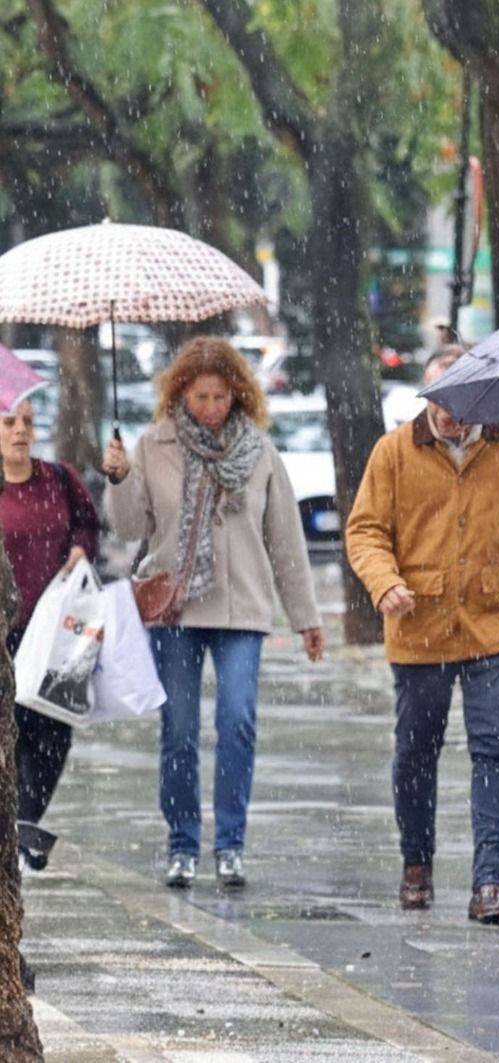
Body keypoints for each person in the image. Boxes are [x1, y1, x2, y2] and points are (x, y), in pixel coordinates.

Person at [344, 344, 499, 925]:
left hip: (496, 625)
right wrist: (384, 582)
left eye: (465, 399)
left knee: (495, 748)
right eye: (443, 400)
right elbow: (364, 531)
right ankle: (416, 862)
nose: (453, 413)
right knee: (416, 752)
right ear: (427, 395)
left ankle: (489, 882)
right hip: (420, 626)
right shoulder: (393, 452)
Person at [102, 336, 324, 890]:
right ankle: (181, 844)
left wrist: (307, 618)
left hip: (243, 608)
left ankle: (229, 845)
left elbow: (285, 541)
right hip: (174, 607)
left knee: (237, 722)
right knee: (178, 730)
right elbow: (130, 528)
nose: (211, 407)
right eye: (201, 396)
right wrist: (120, 477)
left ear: (238, 394)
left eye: (221, 396)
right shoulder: (155, 446)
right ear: (181, 392)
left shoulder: (259, 450)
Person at [1, 397, 100, 868]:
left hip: (55, 632)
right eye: (9, 422)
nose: (21, 430)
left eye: (27, 421)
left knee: (53, 733)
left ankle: (25, 829)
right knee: (12, 736)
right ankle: (16, 832)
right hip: (6, 633)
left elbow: (87, 524)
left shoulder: (58, 479)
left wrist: (81, 548)